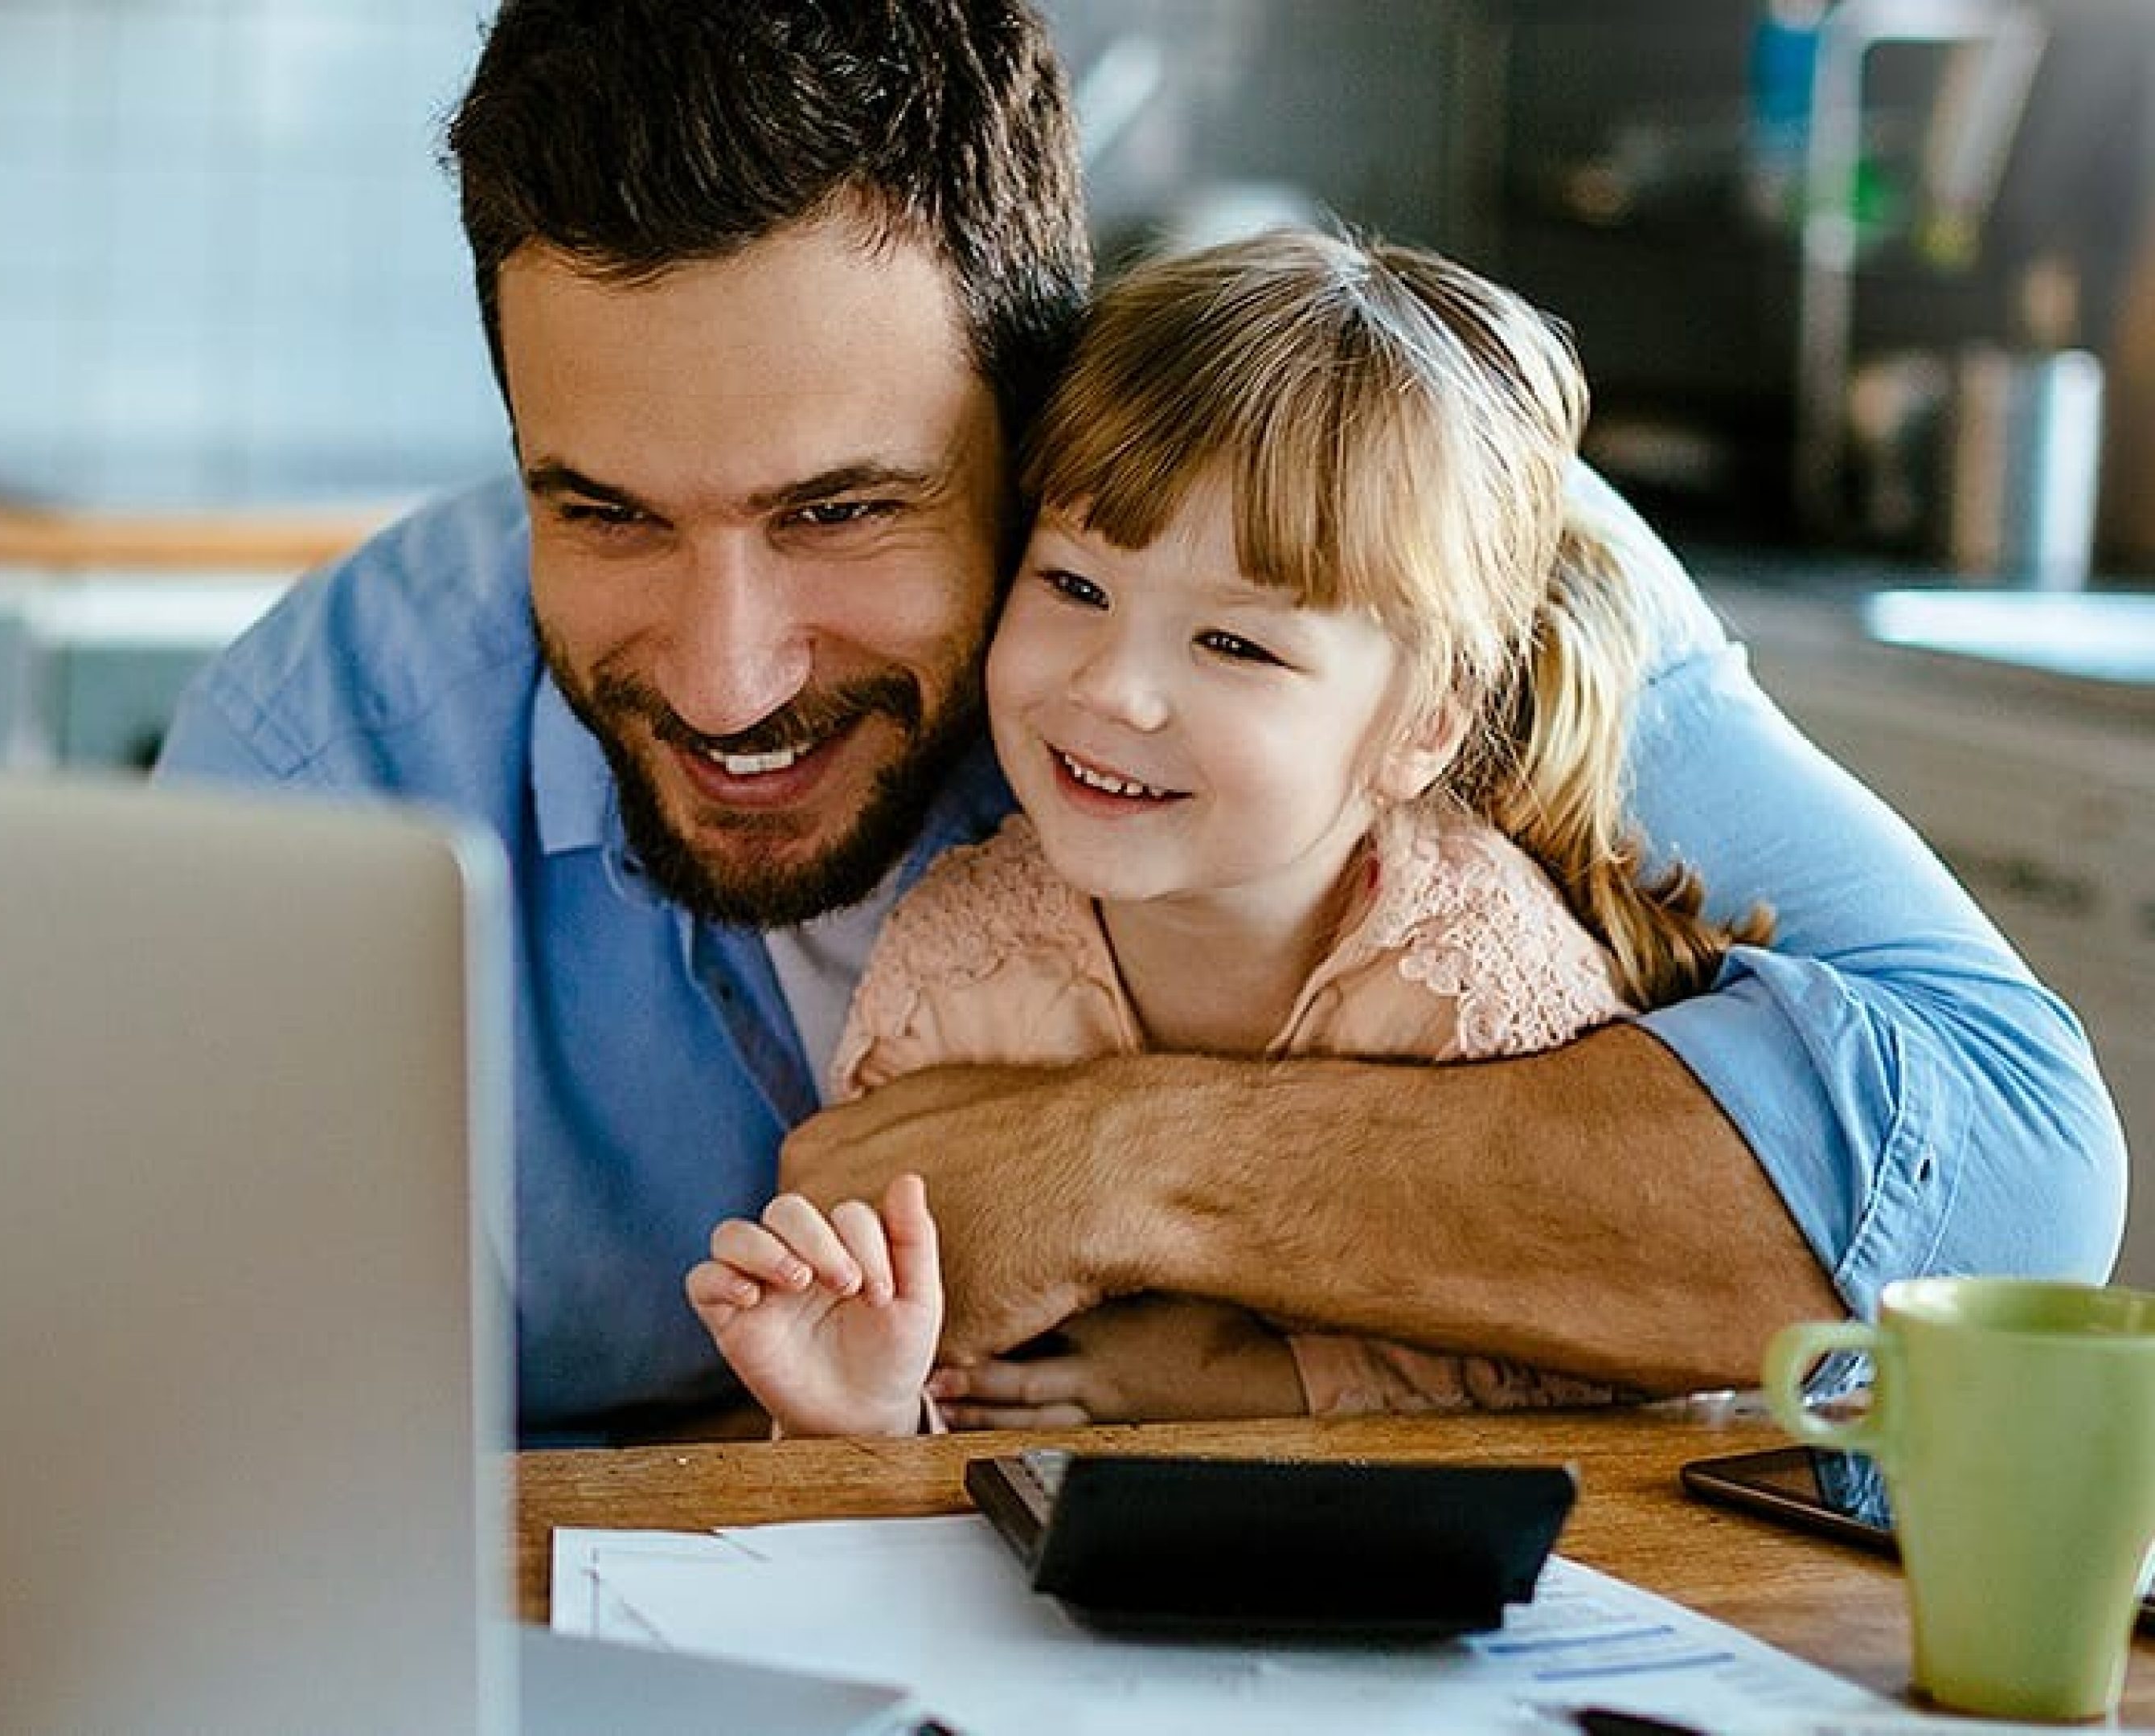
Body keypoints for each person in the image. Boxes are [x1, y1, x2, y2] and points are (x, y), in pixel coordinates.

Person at [154, 0, 2122, 1442]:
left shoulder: (1357, 557)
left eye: (843, 510)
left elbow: (2014, 1186)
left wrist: (1107, 1165)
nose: (729, 673)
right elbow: (151, 1449)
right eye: (601, 511)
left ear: (1045, 417)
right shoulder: (322, 763)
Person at [690, 229, 1769, 1435]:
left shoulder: (1483, 993)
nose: (1115, 690)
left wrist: (1236, 1385)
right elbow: (941, 1392)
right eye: (1076, 588)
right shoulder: (955, 961)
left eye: (1236, 644)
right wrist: (867, 1400)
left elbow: (1617, 1370)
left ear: (1424, 724)